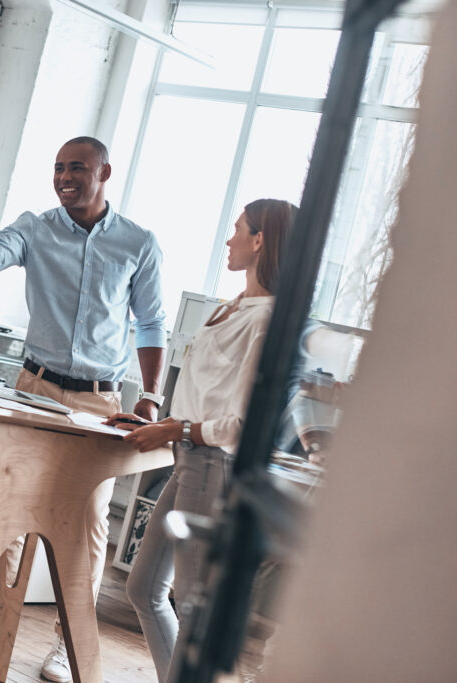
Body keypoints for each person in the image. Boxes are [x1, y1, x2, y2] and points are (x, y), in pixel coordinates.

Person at [0, 137, 167, 683]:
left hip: (99, 402)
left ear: (104, 172)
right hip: (33, 388)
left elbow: (152, 323)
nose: (64, 177)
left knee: (86, 525)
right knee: (7, 509)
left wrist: (150, 395)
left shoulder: (139, 243)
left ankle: (67, 641)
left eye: (76, 168)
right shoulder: (37, 227)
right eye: (58, 168)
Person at [109, 198, 297, 683]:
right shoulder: (234, 306)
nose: (230, 239)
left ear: (260, 240)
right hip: (189, 458)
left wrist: (177, 429)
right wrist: (160, 422)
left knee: (191, 607)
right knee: (146, 588)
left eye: (238, 230)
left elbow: (243, 424)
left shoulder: (268, 321)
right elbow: (204, 391)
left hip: (214, 463)